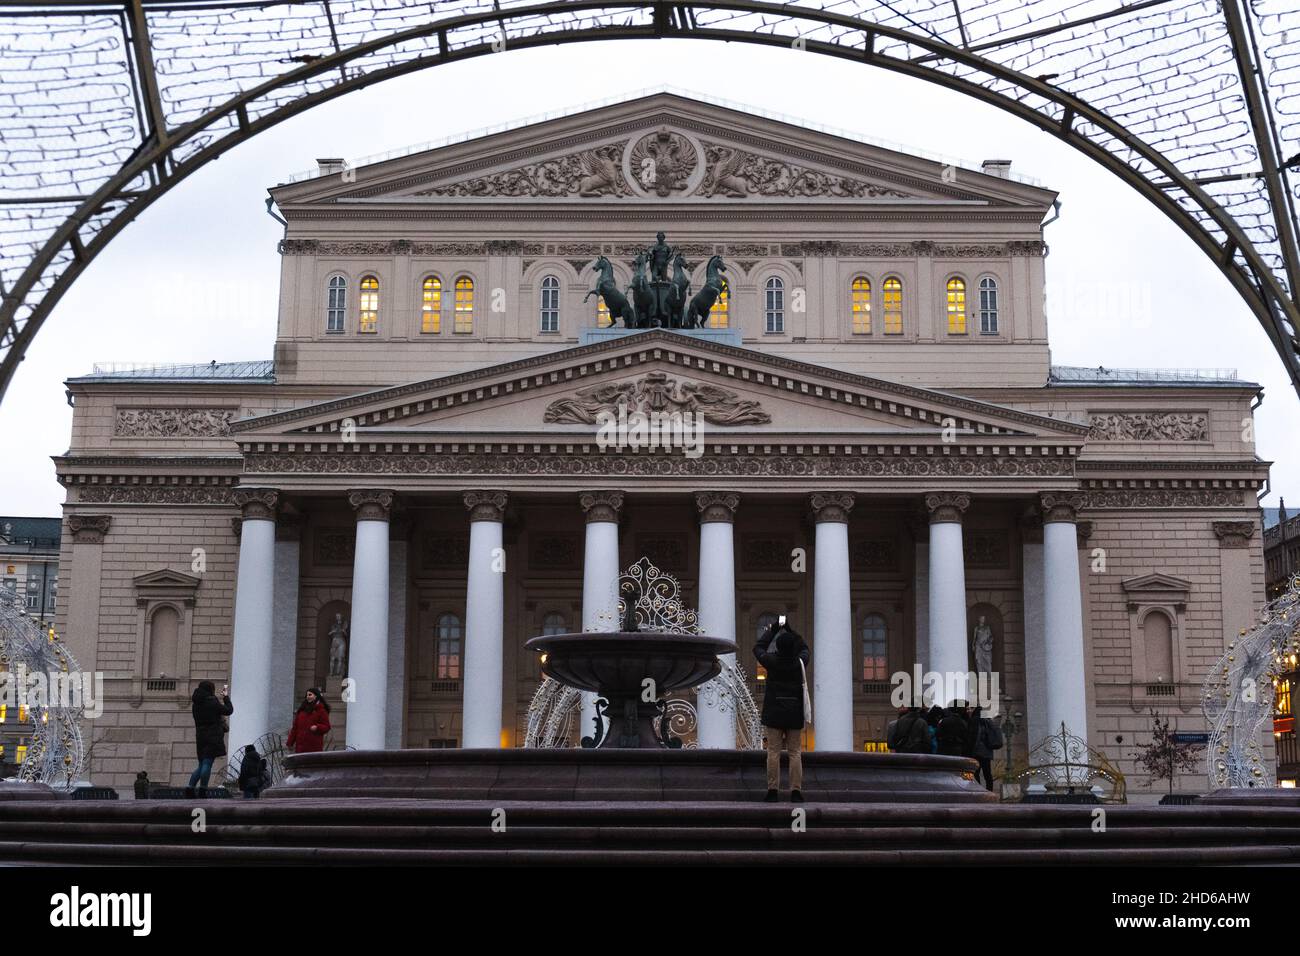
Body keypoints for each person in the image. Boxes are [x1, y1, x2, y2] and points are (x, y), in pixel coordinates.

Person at [753, 617, 810, 802]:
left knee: (773, 752)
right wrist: (791, 630)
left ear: (777, 646)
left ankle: (772, 790)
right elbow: (804, 648)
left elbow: (759, 647)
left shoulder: (771, 661)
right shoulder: (800, 662)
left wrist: (776, 627)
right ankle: (795, 790)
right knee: (795, 752)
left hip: (774, 711)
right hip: (794, 712)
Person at [186, 680, 233, 797]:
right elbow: (228, 710)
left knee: (201, 764)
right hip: (212, 736)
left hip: (200, 736)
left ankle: (190, 788)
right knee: (207, 763)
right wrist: (226, 697)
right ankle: (203, 790)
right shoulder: (212, 702)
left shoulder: (195, 704)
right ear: (210, 689)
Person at [286, 687, 332, 754]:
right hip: (300, 747)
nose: (308, 697)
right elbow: (295, 728)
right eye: (307, 695)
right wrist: (290, 743)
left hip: (314, 748)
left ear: (316, 696)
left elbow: (327, 727)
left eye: (310, 695)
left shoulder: (321, 711)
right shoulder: (302, 711)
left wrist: (317, 727)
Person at [970, 706, 1003, 791]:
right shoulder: (989, 722)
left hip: (977, 752)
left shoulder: (976, 723)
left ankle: (978, 791)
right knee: (987, 774)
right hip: (987, 753)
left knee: (976, 773)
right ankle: (989, 791)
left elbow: (976, 738)